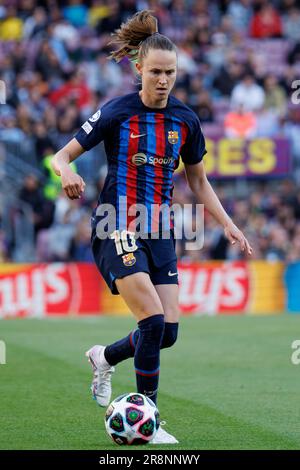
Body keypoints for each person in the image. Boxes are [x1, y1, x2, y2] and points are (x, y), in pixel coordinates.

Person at [51, 10, 252, 444]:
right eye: (156, 72)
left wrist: (230, 225)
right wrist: (66, 173)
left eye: (171, 73)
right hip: (115, 225)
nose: (163, 80)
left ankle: (105, 357)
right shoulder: (116, 112)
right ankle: (151, 419)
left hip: (160, 227)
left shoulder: (186, 120)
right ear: (139, 68)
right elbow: (60, 156)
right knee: (153, 319)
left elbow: (199, 181)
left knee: (168, 332)